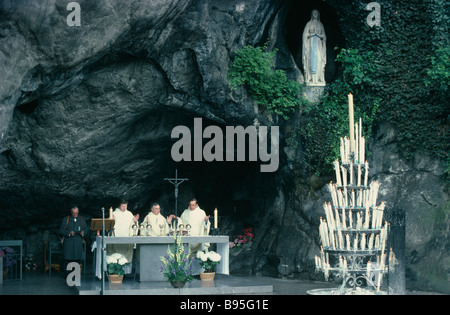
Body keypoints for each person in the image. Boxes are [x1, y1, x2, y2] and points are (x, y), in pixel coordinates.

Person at [108, 199, 138, 274]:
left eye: (126, 206)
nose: (124, 208)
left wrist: (135, 221)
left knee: (125, 255)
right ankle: (115, 273)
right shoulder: (114, 214)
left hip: (127, 239)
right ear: (119, 206)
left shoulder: (129, 214)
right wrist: (111, 221)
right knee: (116, 255)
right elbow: (109, 226)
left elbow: (133, 226)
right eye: (123, 206)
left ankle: (126, 273)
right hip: (117, 239)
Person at [302, 9, 327, 86]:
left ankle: (318, 78)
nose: (315, 14)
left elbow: (324, 36)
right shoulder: (309, 24)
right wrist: (312, 34)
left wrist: (318, 35)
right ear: (312, 14)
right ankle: (311, 79)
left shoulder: (320, 24)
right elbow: (305, 35)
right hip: (310, 45)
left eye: (316, 13)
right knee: (310, 60)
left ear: (318, 14)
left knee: (319, 60)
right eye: (314, 13)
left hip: (318, 45)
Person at [59, 206, 87, 272]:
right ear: (71, 212)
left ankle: (75, 277)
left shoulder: (82, 219)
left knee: (77, 260)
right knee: (67, 260)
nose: (75, 214)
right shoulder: (66, 219)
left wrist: (83, 233)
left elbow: (86, 229)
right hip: (68, 243)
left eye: (76, 213)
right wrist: (69, 233)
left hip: (78, 243)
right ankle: (67, 277)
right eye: (74, 213)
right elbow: (61, 230)